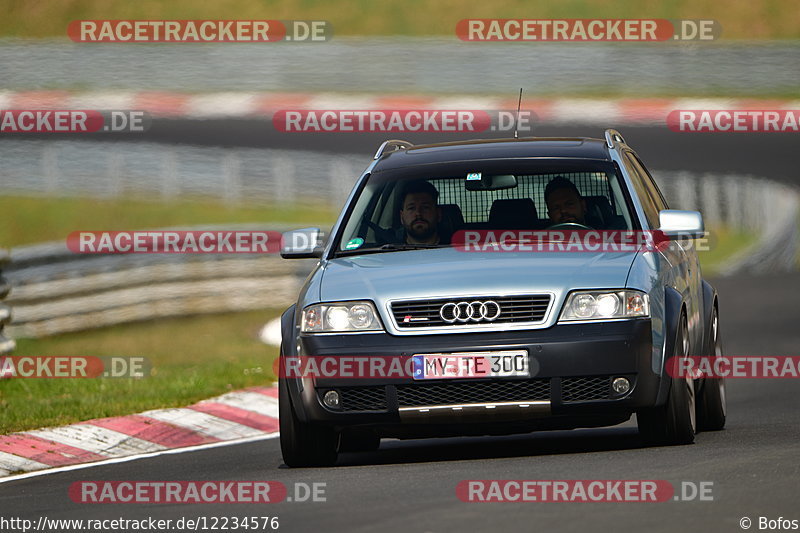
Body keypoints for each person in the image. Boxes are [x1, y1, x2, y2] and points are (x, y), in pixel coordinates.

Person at [399, 180, 443, 245]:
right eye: (411, 208)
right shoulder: (386, 248)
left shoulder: (457, 247)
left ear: (439, 214)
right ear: (401, 217)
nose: (418, 213)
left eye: (425, 207)